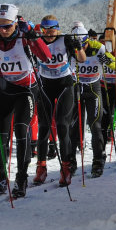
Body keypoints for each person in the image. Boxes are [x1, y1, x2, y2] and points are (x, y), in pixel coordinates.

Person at [0, 3, 49, 198]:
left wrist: (33, 37)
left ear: (16, 23)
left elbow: (46, 56)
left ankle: (21, 178)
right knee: (0, 136)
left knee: (21, 131)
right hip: (4, 89)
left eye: (7, 26)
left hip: (26, 89)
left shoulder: (24, 35)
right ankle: (1, 178)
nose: (2, 30)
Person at [32, 15, 84, 186]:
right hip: (46, 86)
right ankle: (41, 167)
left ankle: (66, 167)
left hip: (65, 85)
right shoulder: (38, 41)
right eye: (45, 30)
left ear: (58, 28)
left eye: (52, 30)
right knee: (44, 127)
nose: (48, 33)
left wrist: (78, 47)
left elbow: (81, 59)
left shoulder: (65, 39)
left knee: (62, 125)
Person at [74, 25, 112, 178]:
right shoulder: (72, 50)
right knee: (74, 125)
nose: (80, 48)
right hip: (77, 88)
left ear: (87, 40)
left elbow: (113, 63)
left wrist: (110, 59)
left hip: (94, 89)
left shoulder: (98, 49)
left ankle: (98, 160)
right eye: (78, 45)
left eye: (83, 43)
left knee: (95, 125)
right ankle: (70, 160)